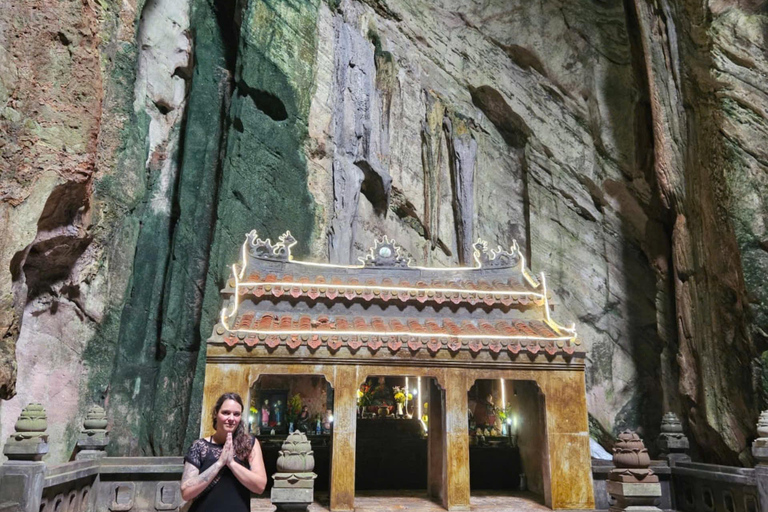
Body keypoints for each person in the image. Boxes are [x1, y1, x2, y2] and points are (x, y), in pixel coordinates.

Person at [181, 393, 267, 511]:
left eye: (236, 414)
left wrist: (231, 463)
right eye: (226, 413)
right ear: (216, 413)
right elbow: (186, 492)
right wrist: (219, 464)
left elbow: (260, 486)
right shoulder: (199, 446)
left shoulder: (249, 444)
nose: (231, 418)